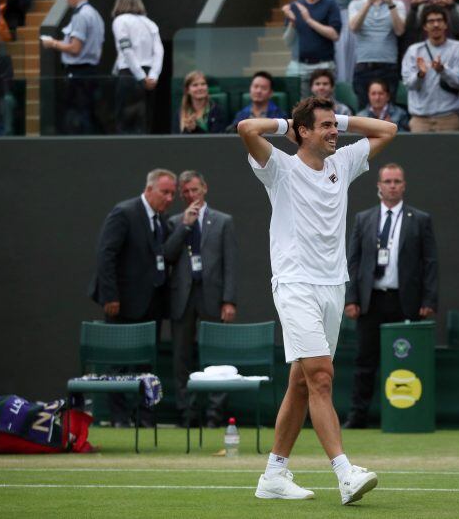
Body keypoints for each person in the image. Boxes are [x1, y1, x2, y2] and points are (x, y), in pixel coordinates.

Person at [238, 98, 397, 503]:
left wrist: (337, 118)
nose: (334, 132)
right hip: (295, 284)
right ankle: (345, 473)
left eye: (336, 126)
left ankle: (274, 475)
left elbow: (388, 130)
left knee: (301, 381)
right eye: (325, 126)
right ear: (302, 131)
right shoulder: (280, 168)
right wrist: (285, 124)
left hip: (332, 286)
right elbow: (246, 128)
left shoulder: (341, 163)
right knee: (322, 377)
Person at [342, 163, 438, 429]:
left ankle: (407, 414)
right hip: (371, 300)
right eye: (388, 181)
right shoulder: (364, 219)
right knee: (365, 361)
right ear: (379, 186)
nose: (392, 185)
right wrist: (351, 298)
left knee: (406, 357)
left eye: (397, 181)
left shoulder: (419, 219)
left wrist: (429, 301)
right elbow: (352, 261)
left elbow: (430, 262)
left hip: (406, 300)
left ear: (404, 185)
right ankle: (357, 416)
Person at [88, 169, 177, 427]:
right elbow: (106, 255)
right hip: (122, 304)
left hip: (152, 306)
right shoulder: (124, 212)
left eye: (172, 193)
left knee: (147, 365)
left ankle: (146, 417)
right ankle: (119, 418)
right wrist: (110, 296)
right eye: (165, 192)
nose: (170, 197)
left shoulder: (161, 221)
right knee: (118, 364)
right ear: (149, 190)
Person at [163, 170, 237, 428]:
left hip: (212, 296)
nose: (191, 195)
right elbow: (168, 255)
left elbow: (230, 263)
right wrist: (185, 225)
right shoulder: (174, 222)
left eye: (194, 190)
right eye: (186, 192)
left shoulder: (222, 221)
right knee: (182, 358)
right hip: (183, 297)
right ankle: (187, 413)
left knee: (216, 355)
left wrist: (229, 300)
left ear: (204, 188)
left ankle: (215, 414)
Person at [40, 0, 104, 134]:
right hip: (90, 72)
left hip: (79, 74)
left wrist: (52, 43)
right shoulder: (95, 14)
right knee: (88, 114)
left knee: (79, 117)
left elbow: (75, 48)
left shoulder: (80, 16)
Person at [401, 4, 459, 132]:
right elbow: (408, 84)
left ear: (446, 24)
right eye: (431, 21)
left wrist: (443, 71)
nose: (436, 25)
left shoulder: (458, 48)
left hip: (449, 118)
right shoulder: (414, 51)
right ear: (425, 26)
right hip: (420, 119)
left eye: (439, 20)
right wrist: (420, 74)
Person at [110, 0, 163, 134]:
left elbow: (126, 49)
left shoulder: (120, 21)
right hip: (149, 77)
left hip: (129, 75)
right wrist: (153, 76)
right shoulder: (150, 23)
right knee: (144, 123)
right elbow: (159, 51)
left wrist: (140, 76)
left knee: (124, 123)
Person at [348, 0, 406, 110]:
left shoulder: (397, 4)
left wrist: (390, 4)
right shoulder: (355, 4)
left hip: (389, 65)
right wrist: (368, 4)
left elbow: (399, 31)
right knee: (364, 109)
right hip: (364, 65)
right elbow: (354, 27)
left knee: (390, 109)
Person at [281, 0, 341, 97]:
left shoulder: (330, 3)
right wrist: (292, 22)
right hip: (300, 66)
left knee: (325, 106)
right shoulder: (295, 6)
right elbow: (287, 42)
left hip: (323, 65)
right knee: (301, 108)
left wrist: (309, 20)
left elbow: (335, 35)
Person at [174, 70, 228, 134]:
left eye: (203, 84)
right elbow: (175, 139)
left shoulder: (217, 111)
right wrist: (187, 129)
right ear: (187, 90)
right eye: (195, 85)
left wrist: (195, 129)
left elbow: (217, 139)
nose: (200, 88)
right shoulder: (180, 113)